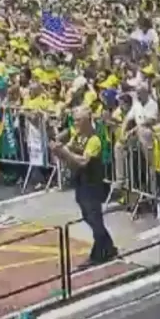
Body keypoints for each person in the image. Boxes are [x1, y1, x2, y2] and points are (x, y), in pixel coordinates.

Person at [50, 107, 117, 266]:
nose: (76, 123)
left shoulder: (94, 140)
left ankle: (100, 252)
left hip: (92, 184)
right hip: (80, 182)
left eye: (79, 120)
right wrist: (58, 150)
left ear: (87, 121)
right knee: (88, 217)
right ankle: (107, 246)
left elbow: (82, 161)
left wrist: (64, 152)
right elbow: (69, 154)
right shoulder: (78, 136)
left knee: (94, 217)